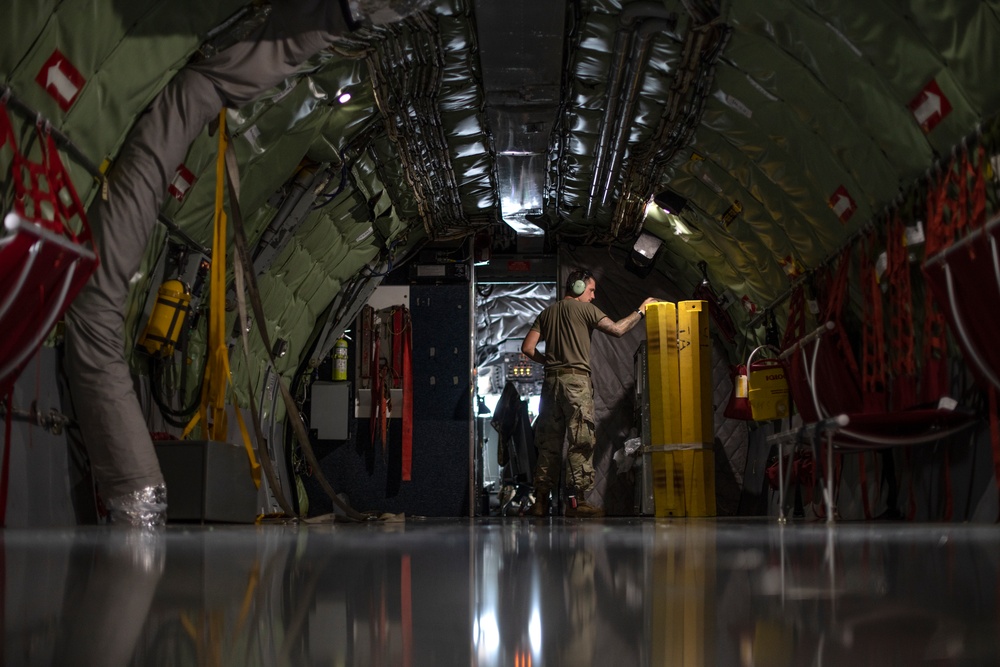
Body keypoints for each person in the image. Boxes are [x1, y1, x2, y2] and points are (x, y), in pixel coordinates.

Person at [520, 269, 657, 517]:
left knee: (548, 445)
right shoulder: (586, 310)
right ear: (579, 287)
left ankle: (540, 503)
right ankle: (576, 504)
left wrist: (550, 363)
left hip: (551, 384)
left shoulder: (546, 313)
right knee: (580, 441)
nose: (593, 296)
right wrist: (641, 311)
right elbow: (617, 329)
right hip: (576, 384)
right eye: (591, 290)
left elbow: (528, 348)